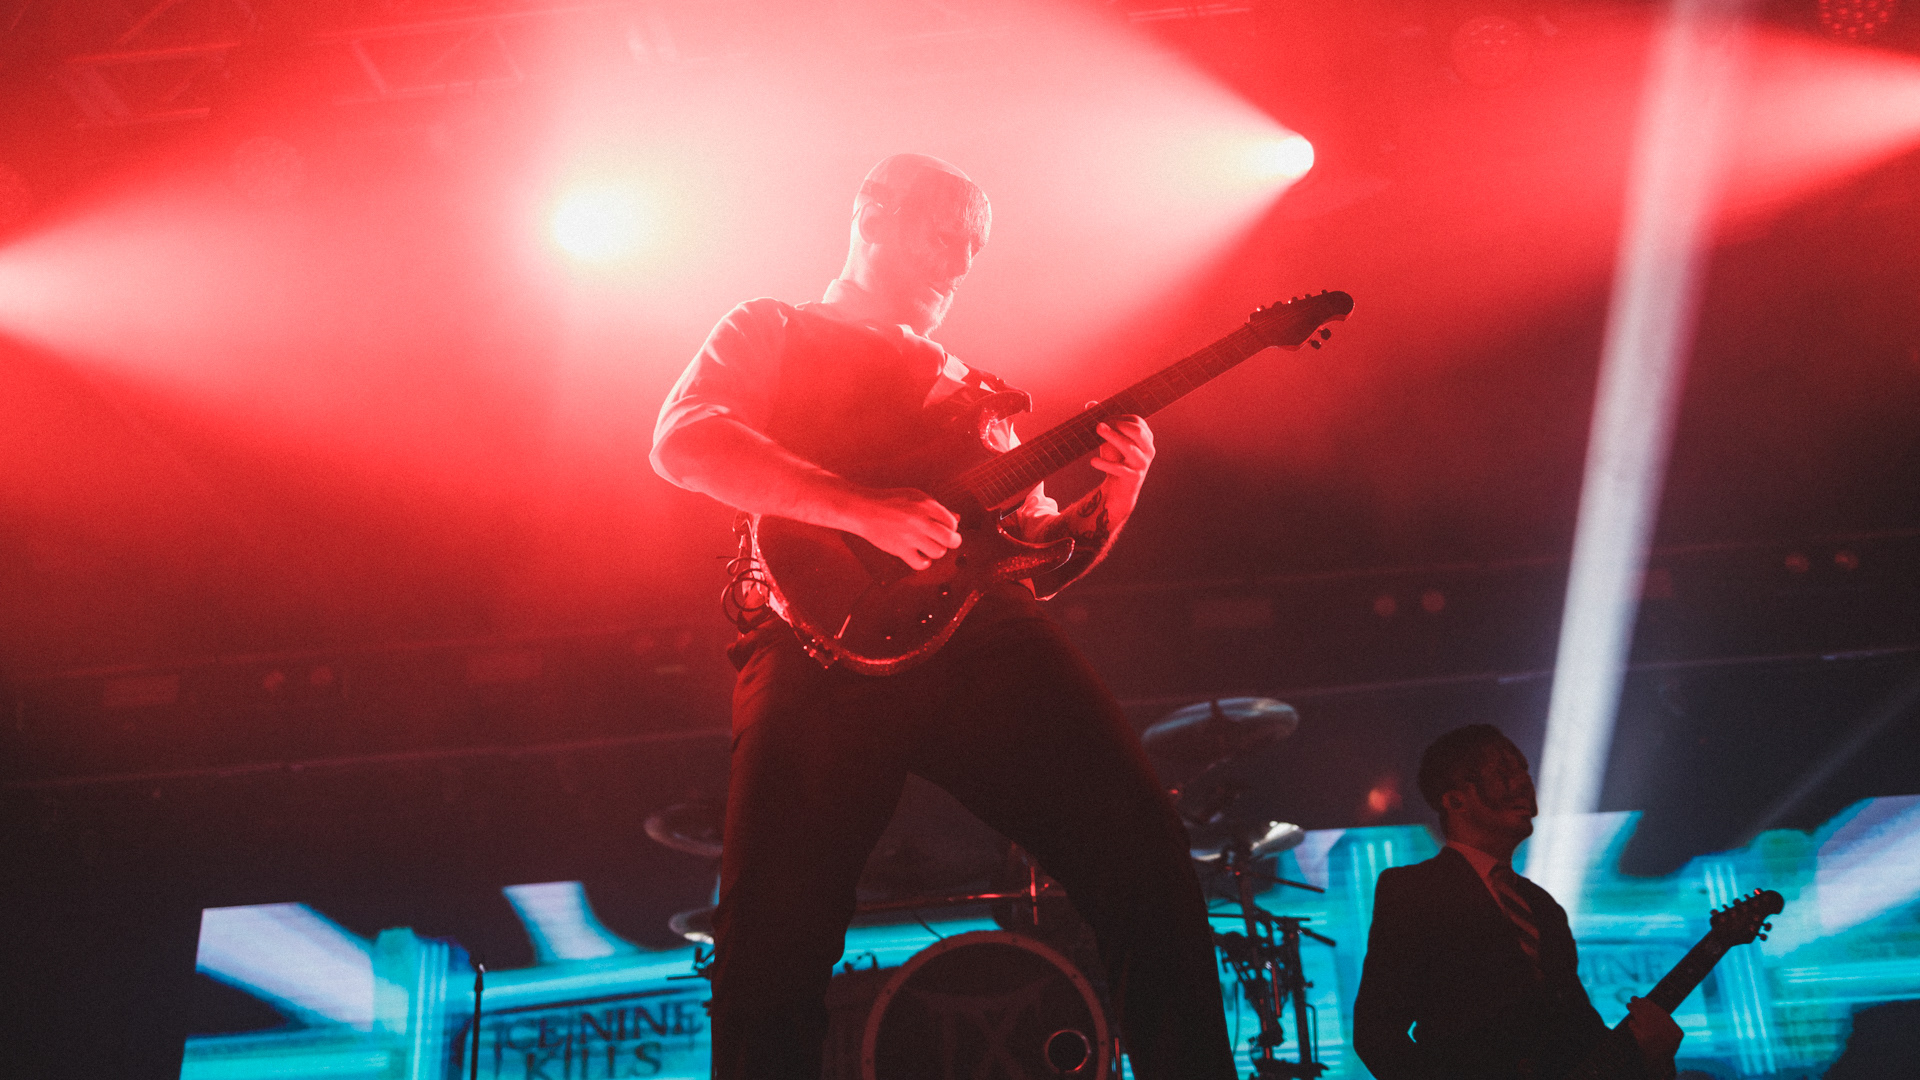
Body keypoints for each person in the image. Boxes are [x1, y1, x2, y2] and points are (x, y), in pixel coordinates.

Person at [650, 153, 1236, 1080]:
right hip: (812, 650)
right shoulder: (776, 325)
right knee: (769, 943)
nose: (960, 263)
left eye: (974, 248)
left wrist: (1117, 496)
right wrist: (858, 508)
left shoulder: (986, 398)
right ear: (872, 213)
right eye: (944, 234)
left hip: (982, 642)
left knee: (1145, 856)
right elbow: (685, 440)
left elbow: (1040, 554)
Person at [1353, 724, 1685, 1080]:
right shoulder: (1413, 889)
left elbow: (1579, 1031)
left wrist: (1655, 1059)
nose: (1524, 785)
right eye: (1502, 773)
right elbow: (1377, 1031)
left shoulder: (1542, 906)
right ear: (1454, 800)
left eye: (1524, 771)